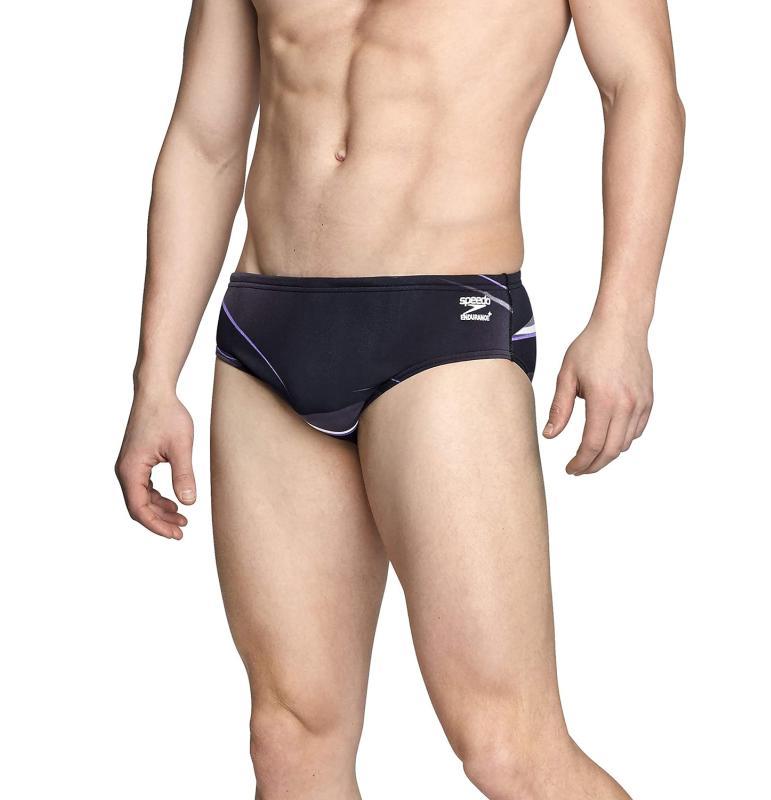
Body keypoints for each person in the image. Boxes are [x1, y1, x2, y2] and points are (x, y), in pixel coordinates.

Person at [115, 0, 684, 797]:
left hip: (444, 324)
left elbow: (640, 86)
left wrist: (622, 320)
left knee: (506, 743)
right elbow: (205, 140)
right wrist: (154, 379)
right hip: (267, 330)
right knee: (290, 738)